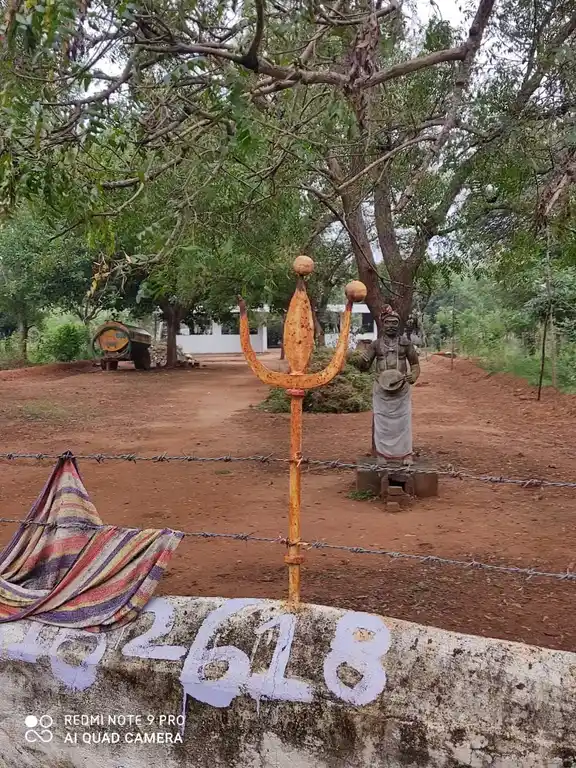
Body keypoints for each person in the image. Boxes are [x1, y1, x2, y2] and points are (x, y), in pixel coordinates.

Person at [350, 309, 420, 465]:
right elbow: (363, 367)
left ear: (399, 325)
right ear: (383, 324)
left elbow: (415, 364)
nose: (391, 326)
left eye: (395, 323)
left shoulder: (406, 343)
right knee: (382, 423)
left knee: (403, 423)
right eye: (388, 322)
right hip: (381, 390)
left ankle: (406, 454)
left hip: (401, 389)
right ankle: (382, 454)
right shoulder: (375, 345)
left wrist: (413, 376)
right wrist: (361, 360)